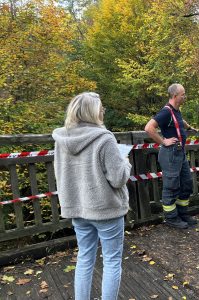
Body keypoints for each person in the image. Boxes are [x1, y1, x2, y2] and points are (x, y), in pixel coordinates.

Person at [52, 92, 132, 300]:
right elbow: (118, 178)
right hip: (106, 209)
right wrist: (125, 161)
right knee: (112, 261)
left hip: (78, 208)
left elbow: (61, 173)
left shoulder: (61, 138)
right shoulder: (104, 138)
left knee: (85, 258)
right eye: (100, 108)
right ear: (94, 112)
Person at [145, 83, 197, 229]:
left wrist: (189, 128)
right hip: (170, 154)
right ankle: (171, 218)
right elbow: (149, 128)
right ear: (175, 96)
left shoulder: (176, 111)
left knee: (186, 184)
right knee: (171, 186)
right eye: (183, 94)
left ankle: (182, 213)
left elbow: (181, 122)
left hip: (180, 153)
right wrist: (163, 141)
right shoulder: (166, 112)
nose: (185, 96)